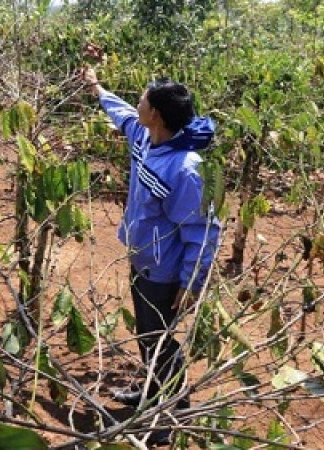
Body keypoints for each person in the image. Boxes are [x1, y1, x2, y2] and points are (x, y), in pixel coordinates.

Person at [82, 59, 221, 445]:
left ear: (155, 114)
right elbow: (122, 113)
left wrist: (193, 281)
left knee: (160, 340)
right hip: (143, 259)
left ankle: (170, 413)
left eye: (142, 99)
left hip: (166, 272)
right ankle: (150, 395)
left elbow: (205, 229)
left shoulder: (187, 169)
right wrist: (97, 89)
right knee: (147, 335)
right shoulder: (146, 138)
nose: (136, 103)